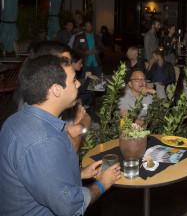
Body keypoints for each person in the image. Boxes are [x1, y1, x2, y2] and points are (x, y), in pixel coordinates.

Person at [0, 55, 121, 215]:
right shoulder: (43, 141)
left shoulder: (15, 120)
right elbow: (70, 206)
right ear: (56, 89)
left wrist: (80, 173)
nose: (78, 83)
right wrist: (102, 184)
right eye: (73, 80)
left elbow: (40, 177)